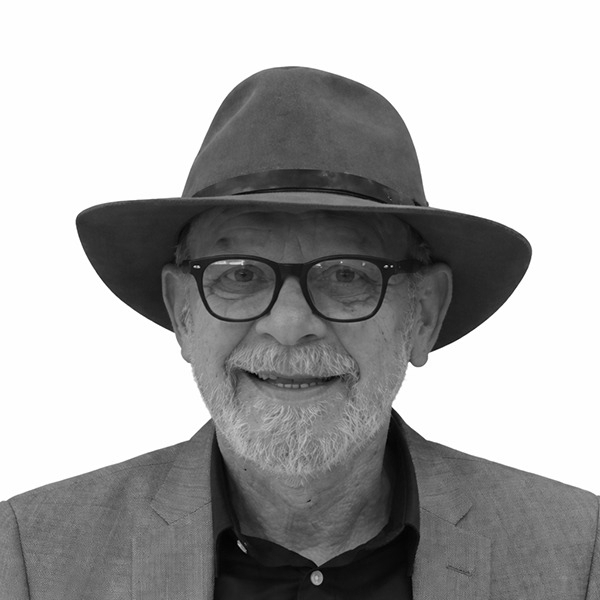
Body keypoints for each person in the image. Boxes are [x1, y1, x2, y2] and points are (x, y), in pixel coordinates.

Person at [1, 66, 597, 599]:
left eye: (347, 275)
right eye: (239, 274)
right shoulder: (30, 557)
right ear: (182, 313)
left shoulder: (579, 556)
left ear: (423, 315)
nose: (289, 327)